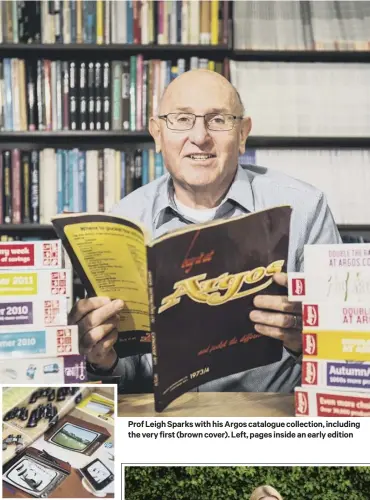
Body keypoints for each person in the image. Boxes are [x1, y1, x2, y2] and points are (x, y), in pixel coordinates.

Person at [69, 69, 341, 391]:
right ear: (157, 135)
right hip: (164, 428)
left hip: (269, 425)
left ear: (242, 134)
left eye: (218, 120)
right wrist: (103, 358)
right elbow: (128, 373)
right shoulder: (125, 221)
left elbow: (347, 357)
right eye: (182, 119)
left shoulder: (305, 209)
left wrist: (308, 341)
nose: (199, 136)